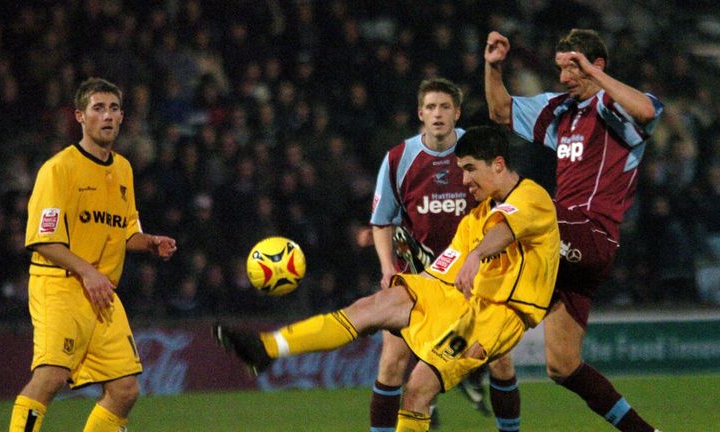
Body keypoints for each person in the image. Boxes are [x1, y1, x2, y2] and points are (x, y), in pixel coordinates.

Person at [214, 125, 561, 432]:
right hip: (456, 298)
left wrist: (476, 255)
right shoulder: (475, 218)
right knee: (374, 305)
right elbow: (441, 275)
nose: (465, 181)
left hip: (497, 315)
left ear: (498, 164)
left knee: (417, 390)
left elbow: (504, 231)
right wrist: (411, 282)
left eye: (470, 170)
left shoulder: (532, 197)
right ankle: (268, 347)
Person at [484, 29, 664, 432]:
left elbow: (647, 112)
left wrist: (594, 75)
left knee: (518, 204)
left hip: (592, 233)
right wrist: (493, 67)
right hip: (565, 244)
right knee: (562, 365)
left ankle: (460, 287)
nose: (564, 77)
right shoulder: (559, 110)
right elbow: (500, 111)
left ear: (596, 65)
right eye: (561, 68)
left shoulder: (614, 105)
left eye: (574, 67)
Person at [9, 77, 177, 432]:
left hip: (101, 290)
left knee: (125, 390)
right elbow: (42, 240)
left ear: (122, 117)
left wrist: (149, 242)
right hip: (60, 284)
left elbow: (125, 230)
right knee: (51, 377)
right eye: (98, 108)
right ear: (80, 117)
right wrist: (87, 272)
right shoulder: (59, 169)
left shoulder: (123, 169)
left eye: (114, 108)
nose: (108, 116)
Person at [368, 77, 481, 430]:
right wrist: (387, 268)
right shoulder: (399, 158)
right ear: (420, 113)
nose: (437, 114)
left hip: (467, 279)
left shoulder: (477, 150)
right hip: (414, 277)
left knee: (501, 361)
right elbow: (381, 221)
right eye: (431, 107)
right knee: (391, 364)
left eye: (445, 107)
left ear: (457, 113)